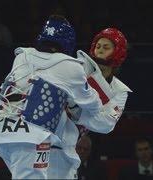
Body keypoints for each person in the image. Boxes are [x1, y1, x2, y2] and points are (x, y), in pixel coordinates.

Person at [0, 15, 103, 179]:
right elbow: (94, 105)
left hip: (1, 132)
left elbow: (11, 90)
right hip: (32, 136)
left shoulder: (22, 56)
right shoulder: (71, 66)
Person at [48, 27, 132, 178]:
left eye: (106, 47)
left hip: (69, 144)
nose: (100, 50)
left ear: (118, 52)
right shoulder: (77, 67)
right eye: (98, 46)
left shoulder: (120, 91)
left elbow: (106, 124)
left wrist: (76, 111)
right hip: (47, 133)